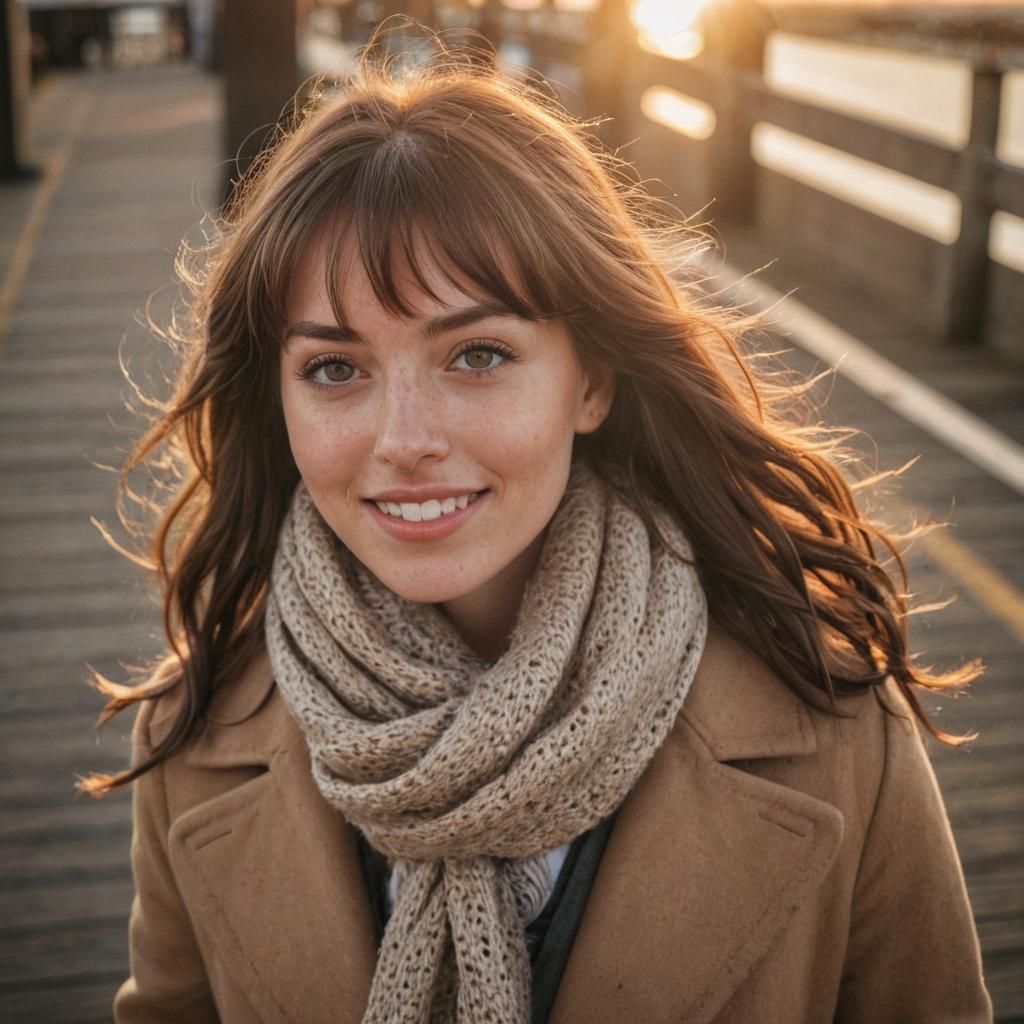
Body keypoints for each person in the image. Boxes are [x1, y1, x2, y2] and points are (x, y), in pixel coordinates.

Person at [83, 38, 993, 1024]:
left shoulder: (831, 718)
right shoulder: (196, 735)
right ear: (279, 398)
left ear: (591, 378)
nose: (405, 441)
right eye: (335, 369)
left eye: (476, 354)